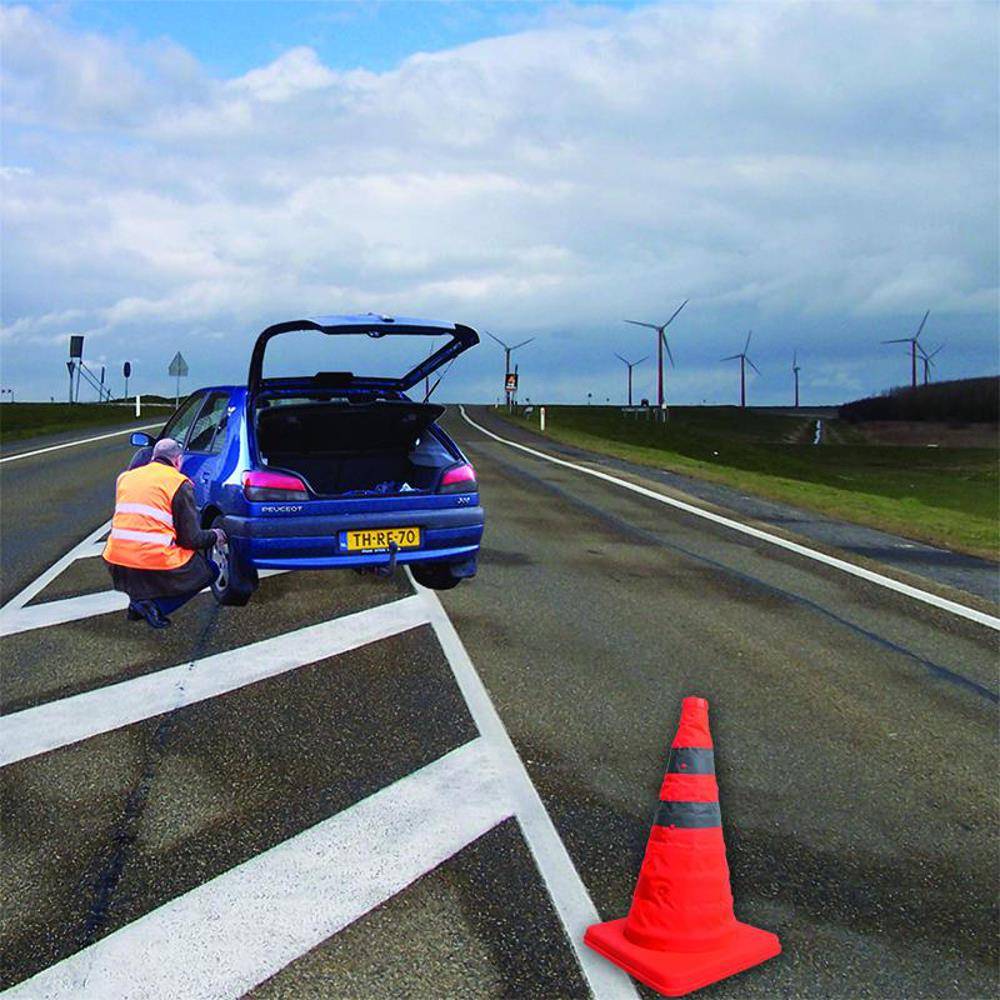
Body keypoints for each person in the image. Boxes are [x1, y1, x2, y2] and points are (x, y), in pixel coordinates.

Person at [102, 438, 224, 628]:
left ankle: (138, 604)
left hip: (115, 560)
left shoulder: (126, 478)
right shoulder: (178, 483)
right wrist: (215, 535)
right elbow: (191, 539)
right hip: (151, 561)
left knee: (145, 560)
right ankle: (155, 607)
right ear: (178, 461)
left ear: (153, 457)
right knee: (210, 571)